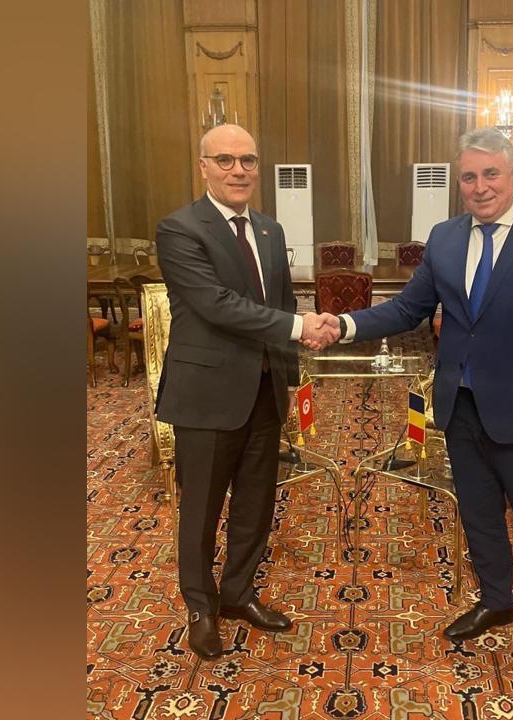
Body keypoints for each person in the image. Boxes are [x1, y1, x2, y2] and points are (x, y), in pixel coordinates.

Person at [323, 128, 513, 671]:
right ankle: (495, 601)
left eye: (491, 173)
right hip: (460, 407)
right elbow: (407, 309)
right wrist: (343, 324)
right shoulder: (445, 237)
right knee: (479, 514)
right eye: (468, 177)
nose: (480, 186)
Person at [154, 124, 337, 659]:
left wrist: (294, 367)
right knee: (202, 510)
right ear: (204, 166)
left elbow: (281, 305)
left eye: (248, 160)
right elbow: (215, 305)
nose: (238, 170)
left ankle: (237, 593)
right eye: (226, 160)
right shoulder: (180, 229)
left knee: (256, 504)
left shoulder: (270, 230)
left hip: (264, 391)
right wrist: (300, 327)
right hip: (206, 396)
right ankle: (200, 608)